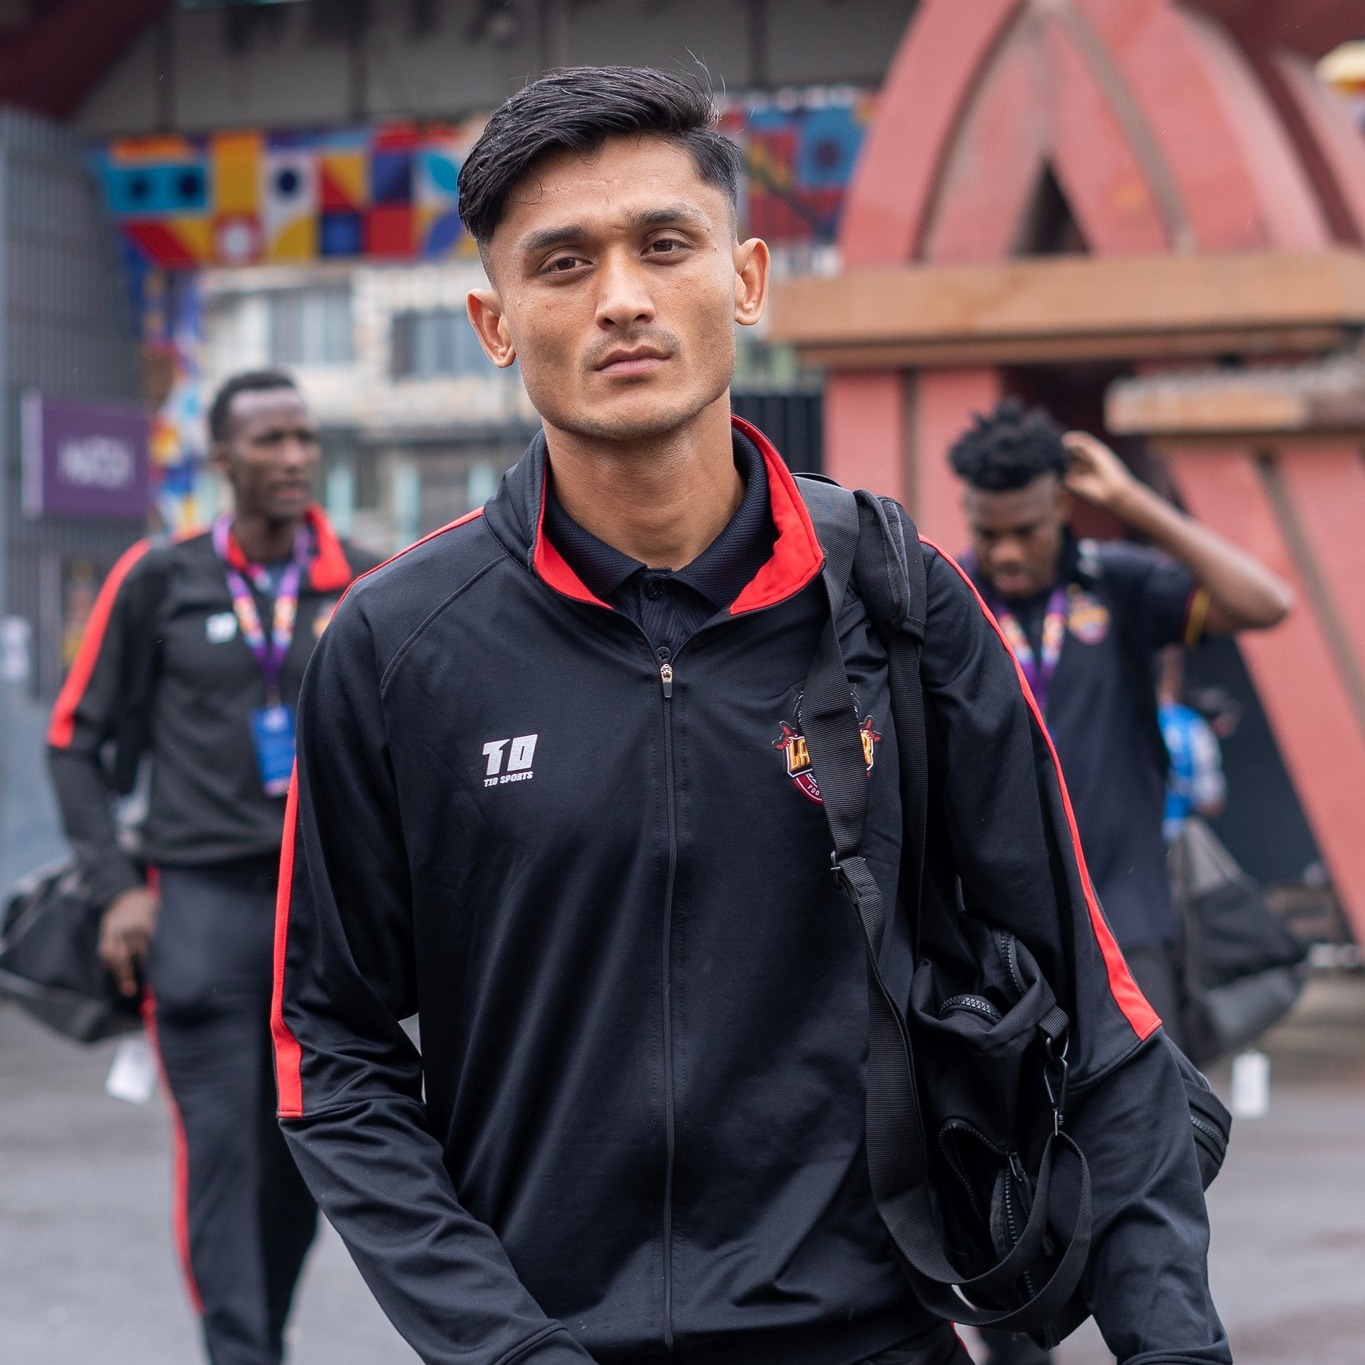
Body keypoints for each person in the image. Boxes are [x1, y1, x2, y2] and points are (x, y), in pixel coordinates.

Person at [273, 68, 1232, 1365]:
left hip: (874, 1334)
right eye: (563, 263)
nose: (622, 296)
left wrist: (1174, 1344)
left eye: (665, 244)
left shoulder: (899, 599)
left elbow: (1094, 1002)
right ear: (494, 322)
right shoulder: (396, 646)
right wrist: (500, 1344)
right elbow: (328, 1044)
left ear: (746, 278)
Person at [47, 370, 379, 1365]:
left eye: (305, 438)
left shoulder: (363, 583)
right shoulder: (160, 578)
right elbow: (71, 740)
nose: (293, 457)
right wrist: (116, 887)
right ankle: (240, 1351)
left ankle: (257, 1338)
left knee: (300, 1158)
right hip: (198, 908)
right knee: (224, 1154)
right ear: (223, 458)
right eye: (269, 440)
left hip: (321, 917)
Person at [947, 400, 1290, 1058]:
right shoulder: (952, 598)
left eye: (1025, 530)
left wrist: (1131, 500)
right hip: (997, 928)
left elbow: (1266, 603)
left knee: (1154, 1111)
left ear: (1062, 506)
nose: (1006, 552)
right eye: (988, 533)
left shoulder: (1116, 584)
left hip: (1127, 920)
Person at [1157, 647, 1227, 842]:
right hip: (1169, 838)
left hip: (1121, 833)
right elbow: (1212, 801)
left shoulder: (1120, 714)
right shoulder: (1192, 725)